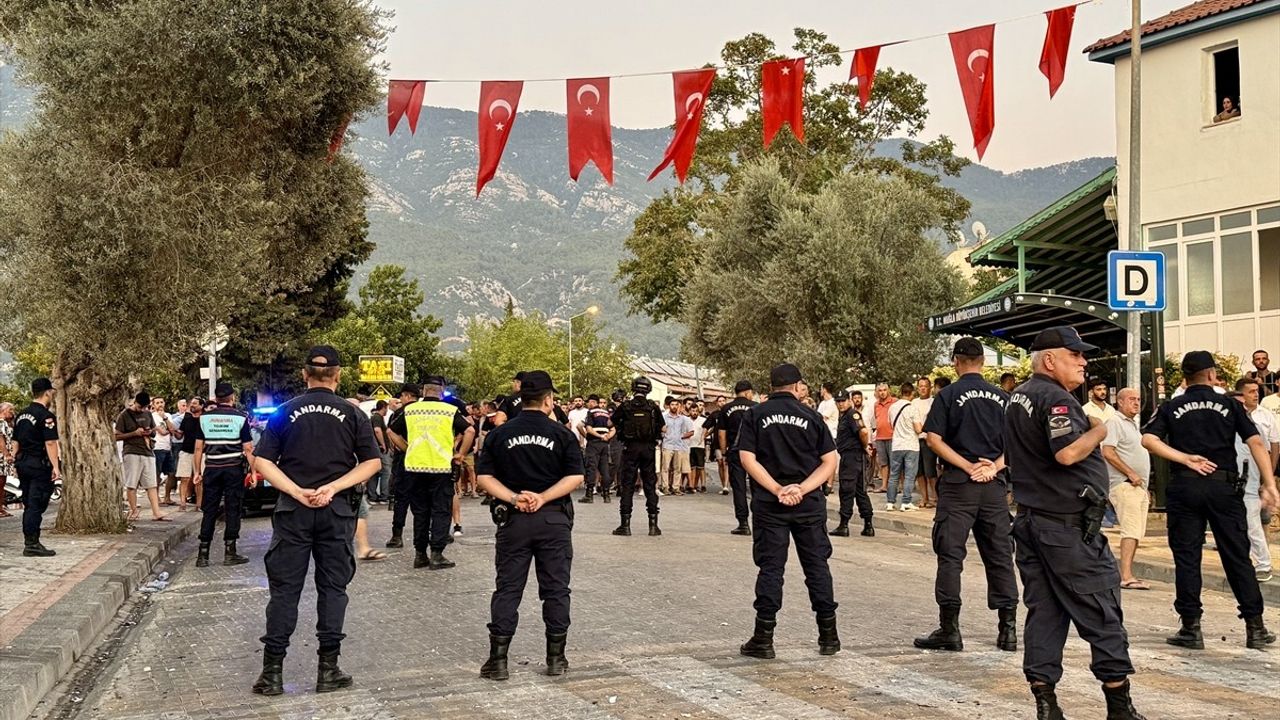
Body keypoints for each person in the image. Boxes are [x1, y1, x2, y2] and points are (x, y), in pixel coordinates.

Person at [1004, 327, 1145, 719]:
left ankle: (1046, 703)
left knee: (1045, 613)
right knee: (1101, 609)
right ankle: (1120, 707)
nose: (1084, 362)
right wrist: (1100, 429)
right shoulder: (1055, 398)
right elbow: (1066, 454)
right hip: (1066, 528)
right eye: (1075, 355)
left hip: (1033, 522)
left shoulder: (1019, 396)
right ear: (1050, 360)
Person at [250, 346, 382, 696]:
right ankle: (328, 669)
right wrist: (332, 487)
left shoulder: (284, 412)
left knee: (284, 592)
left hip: (293, 512)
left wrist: (296, 491)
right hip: (336, 511)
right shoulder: (353, 414)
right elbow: (372, 463)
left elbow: (262, 462)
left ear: (305, 375)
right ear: (338, 376)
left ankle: (272, 674)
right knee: (333, 589)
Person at [1141, 351, 1279, 651]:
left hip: (1185, 486)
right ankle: (1255, 627)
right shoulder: (1231, 404)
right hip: (1223, 487)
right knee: (1237, 556)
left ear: (1185, 378)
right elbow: (1256, 442)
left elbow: (1148, 440)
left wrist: (1184, 458)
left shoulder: (1171, 405)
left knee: (1187, 558)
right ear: (1212, 375)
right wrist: (1269, 483)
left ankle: (1191, 628)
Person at [475, 370, 583, 681]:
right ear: (549, 400)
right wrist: (543, 497)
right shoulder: (562, 435)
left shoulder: (499, 434)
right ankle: (555, 658)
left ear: (521, 399)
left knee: (508, 589)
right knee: (556, 590)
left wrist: (513, 498)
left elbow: (483, 479)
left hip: (514, 519)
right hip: (553, 519)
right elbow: (575, 477)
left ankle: (498, 661)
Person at [915, 338, 1019, 653]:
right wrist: (993, 469)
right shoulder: (1003, 397)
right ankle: (1008, 630)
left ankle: (950, 630)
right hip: (993, 487)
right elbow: (1018, 443)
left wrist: (967, 466)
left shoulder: (947, 395)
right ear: (983, 363)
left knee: (950, 556)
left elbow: (934, 439)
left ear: (956, 361)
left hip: (959, 485)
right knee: (1000, 556)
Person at [737, 363, 840, 660]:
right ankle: (829, 636)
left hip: (771, 505)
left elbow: (747, 458)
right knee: (817, 567)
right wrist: (802, 489)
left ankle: (763, 638)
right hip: (808, 505)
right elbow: (830, 461)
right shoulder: (812, 416)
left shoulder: (755, 415)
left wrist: (777, 489)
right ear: (797, 387)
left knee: (771, 569)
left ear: (771, 386)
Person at [387, 376, 475, 570]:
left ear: (423, 391)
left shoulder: (409, 410)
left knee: (420, 512)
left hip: (414, 468)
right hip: (441, 467)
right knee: (441, 510)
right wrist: (459, 454)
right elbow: (469, 431)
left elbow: (391, 431)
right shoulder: (450, 411)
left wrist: (406, 447)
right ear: (441, 391)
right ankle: (437, 554)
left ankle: (420, 554)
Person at [192, 383, 255, 567]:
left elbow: (198, 447)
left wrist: (197, 472)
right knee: (233, 508)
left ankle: (203, 555)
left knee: (209, 509)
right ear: (232, 398)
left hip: (211, 468)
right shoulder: (241, 418)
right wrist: (253, 472)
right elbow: (248, 448)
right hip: (233, 468)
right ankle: (230, 552)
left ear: (216, 398)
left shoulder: (204, 418)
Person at [1101, 388, 1153, 590]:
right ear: (1120, 402)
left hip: (1137, 486)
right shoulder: (1115, 422)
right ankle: (1126, 576)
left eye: (1138, 399)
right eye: (1132, 399)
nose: (1136, 403)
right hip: (1124, 484)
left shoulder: (1132, 425)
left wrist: (1143, 485)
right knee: (1130, 530)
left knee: (1137, 531)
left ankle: (1128, 573)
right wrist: (1130, 473)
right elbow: (1108, 451)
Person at [1232, 378, 1278, 582]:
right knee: (1236, 524)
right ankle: (1244, 562)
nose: (1255, 395)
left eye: (1256, 391)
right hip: (1232, 478)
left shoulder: (1260, 420)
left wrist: (1267, 481)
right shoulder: (1230, 420)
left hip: (1250, 478)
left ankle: (1263, 564)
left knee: (1253, 522)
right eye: (1250, 392)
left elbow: (1268, 449)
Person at [12, 378, 61, 557]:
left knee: (28, 503)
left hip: (23, 462)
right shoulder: (46, 416)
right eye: (52, 392)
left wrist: (15, 461)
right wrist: (56, 466)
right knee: (36, 504)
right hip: (38, 464)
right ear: (47, 392)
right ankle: (31, 543)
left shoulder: (21, 415)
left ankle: (31, 540)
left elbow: (15, 442)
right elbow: (50, 443)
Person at [610, 377, 664, 537]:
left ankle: (625, 525)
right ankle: (653, 525)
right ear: (648, 389)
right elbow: (662, 427)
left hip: (630, 448)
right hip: (648, 448)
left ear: (633, 388)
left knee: (627, 485)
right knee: (650, 485)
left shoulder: (626, 406)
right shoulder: (653, 407)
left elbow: (610, 422)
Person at [115, 392, 167, 522]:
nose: (141, 410)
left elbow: (154, 431)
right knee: (132, 484)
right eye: (139, 407)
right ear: (134, 402)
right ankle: (134, 511)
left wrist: (150, 432)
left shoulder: (148, 414)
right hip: (132, 451)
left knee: (151, 484)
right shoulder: (124, 415)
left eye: (144, 407)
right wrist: (134, 433)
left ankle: (156, 512)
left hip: (147, 451)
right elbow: (116, 436)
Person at [830, 390, 873, 538]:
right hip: (853, 457)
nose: (841, 404)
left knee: (847, 490)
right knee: (859, 490)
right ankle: (868, 525)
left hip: (852, 457)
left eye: (843, 401)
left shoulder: (851, 415)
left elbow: (864, 432)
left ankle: (844, 525)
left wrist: (864, 446)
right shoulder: (845, 416)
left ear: (849, 401)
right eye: (838, 401)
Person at [718, 380, 758, 535]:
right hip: (755, 453)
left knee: (739, 488)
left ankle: (743, 523)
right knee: (757, 487)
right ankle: (759, 520)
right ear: (748, 392)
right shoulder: (756, 407)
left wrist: (723, 452)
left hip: (736, 452)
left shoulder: (726, 408)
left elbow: (722, 434)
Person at [885, 383, 920, 512]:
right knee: (909, 475)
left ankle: (890, 502)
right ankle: (906, 501)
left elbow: (890, 424)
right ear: (912, 393)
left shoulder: (892, 407)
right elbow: (918, 428)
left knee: (894, 474)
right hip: (911, 445)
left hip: (896, 445)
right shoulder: (912, 408)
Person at [578, 395, 613, 503]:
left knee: (591, 467)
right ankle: (606, 495)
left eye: (588, 402)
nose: (587, 404)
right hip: (604, 444)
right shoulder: (606, 413)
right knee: (604, 468)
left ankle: (589, 495)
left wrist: (590, 436)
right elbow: (613, 428)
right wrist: (607, 436)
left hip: (594, 443)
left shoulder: (591, 413)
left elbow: (584, 427)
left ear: (593, 402)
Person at [912, 377, 938, 508]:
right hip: (916, 440)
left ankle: (934, 497)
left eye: (925, 386)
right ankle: (924, 497)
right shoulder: (914, 403)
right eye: (920, 386)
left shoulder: (934, 402)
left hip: (928, 440)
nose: (922, 388)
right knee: (919, 472)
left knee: (930, 471)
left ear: (930, 387)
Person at [175, 398, 205, 511]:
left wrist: (202, 448)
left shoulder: (204, 419)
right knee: (184, 478)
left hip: (201, 453)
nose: (192, 405)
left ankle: (199, 504)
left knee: (199, 480)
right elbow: (179, 435)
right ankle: (183, 503)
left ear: (201, 406)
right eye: (191, 403)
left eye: (195, 404)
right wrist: (172, 429)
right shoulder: (186, 419)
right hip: (186, 451)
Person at [659, 397, 693, 495]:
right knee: (665, 467)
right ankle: (665, 487)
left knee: (677, 468)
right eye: (672, 404)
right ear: (669, 406)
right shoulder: (664, 417)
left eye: (676, 405)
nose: (674, 406)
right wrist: (663, 434)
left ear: (679, 406)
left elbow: (690, 431)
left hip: (679, 446)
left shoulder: (683, 419)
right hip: (667, 445)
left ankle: (676, 487)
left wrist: (681, 436)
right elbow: (660, 429)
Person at [151, 397, 178, 506]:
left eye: (161, 402)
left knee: (171, 473)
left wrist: (165, 418)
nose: (160, 404)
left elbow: (172, 429)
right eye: (157, 403)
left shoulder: (168, 416)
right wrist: (166, 431)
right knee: (157, 474)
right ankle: (156, 497)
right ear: (153, 405)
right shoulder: (152, 416)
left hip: (167, 447)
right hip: (157, 447)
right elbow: (161, 431)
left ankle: (167, 497)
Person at [872, 383, 895, 492]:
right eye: (880, 390)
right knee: (883, 463)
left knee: (895, 463)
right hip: (880, 437)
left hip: (893, 436)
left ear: (889, 390)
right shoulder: (876, 404)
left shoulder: (895, 402)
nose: (882, 392)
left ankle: (897, 486)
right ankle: (884, 485)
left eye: (884, 390)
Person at [368, 400, 391, 503]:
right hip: (380, 449)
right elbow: (377, 430)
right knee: (386, 472)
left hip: (374, 448)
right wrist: (383, 444)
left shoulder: (374, 417)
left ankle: (372, 495)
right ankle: (384, 496)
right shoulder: (377, 417)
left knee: (375, 472)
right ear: (384, 407)